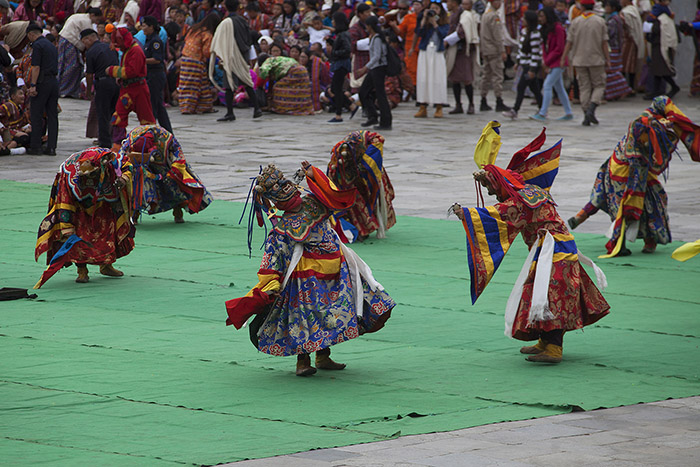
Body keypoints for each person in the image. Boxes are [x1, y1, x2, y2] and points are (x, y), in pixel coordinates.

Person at [451, 127, 610, 363]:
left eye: (491, 189)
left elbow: (504, 213)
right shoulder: (527, 191)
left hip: (556, 252)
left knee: (550, 296)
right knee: (538, 293)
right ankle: (545, 341)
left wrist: (466, 213)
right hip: (548, 251)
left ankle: (554, 348)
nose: (491, 194)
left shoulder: (525, 198)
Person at [225, 162, 394, 376]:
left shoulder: (313, 202)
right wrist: (272, 284)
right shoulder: (282, 228)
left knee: (332, 313)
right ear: (276, 201)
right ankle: (302, 361)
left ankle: (323, 356)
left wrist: (314, 175)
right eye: (280, 190)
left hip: (338, 267)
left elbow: (334, 198)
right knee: (305, 317)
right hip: (306, 278)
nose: (287, 189)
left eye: (286, 184)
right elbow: (273, 257)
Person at [568, 97, 700, 257]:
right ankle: (637, 241)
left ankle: (582, 216)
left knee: (609, 198)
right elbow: (648, 158)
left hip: (617, 166)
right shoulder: (646, 125)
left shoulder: (650, 121)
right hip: (630, 170)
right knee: (642, 203)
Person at [34, 147, 134, 286]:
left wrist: (123, 179)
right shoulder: (69, 175)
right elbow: (65, 201)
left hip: (104, 203)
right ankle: (82, 270)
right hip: (79, 208)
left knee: (107, 233)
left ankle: (106, 265)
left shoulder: (112, 160)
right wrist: (67, 228)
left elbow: (127, 165)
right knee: (80, 238)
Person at [120, 125, 213, 223]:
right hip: (141, 167)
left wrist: (175, 169)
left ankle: (178, 212)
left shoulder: (166, 138)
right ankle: (135, 214)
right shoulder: (131, 139)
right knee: (137, 188)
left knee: (174, 185)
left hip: (165, 165)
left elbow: (178, 154)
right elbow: (121, 157)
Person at [327, 131, 396, 241]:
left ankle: (368, 227)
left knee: (374, 198)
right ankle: (361, 229)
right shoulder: (341, 158)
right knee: (354, 202)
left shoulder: (367, 140)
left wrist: (367, 165)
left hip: (368, 174)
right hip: (347, 179)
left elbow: (379, 141)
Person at [209, 0, 262, 122]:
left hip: (231, 56)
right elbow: (248, 39)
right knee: (246, 82)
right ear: (238, 7)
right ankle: (257, 109)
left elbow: (220, 40)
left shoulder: (226, 22)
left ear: (226, 7)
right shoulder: (243, 20)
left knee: (229, 85)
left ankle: (230, 113)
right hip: (243, 55)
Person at [106, 25, 157, 149]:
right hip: (127, 89)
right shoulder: (127, 51)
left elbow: (131, 71)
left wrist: (113, 70)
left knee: (147, 119)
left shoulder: (136, 51)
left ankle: (150, 144)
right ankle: (118, 144)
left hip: (139, 90)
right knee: (118, 117)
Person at [561, 0, 609, 126]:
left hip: (579, 59)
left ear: (582, 6)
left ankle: (586, 112)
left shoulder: (576, 22)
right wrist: (607, 58)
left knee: (584, 87)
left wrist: (563, 57)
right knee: (599, 85)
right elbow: (604, 43)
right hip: (596, 59)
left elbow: (569, 42)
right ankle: (592, 107)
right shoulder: (600, 21)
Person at [530, 7, 572, 122]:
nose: (540, 19)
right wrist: (545, 61)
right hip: (551, 62)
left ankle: (543, 112)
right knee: (559, 88)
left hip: (559, 62)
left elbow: (559, 48)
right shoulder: (545, 29)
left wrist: (547, 61)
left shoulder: (558, 28)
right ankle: (568, 113)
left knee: (547, 85)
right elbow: (544, 47)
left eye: (542, 16)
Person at [81, 29, 119, 149]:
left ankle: (105, 142)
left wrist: (88, 91)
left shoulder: (91, 52)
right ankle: (116, 138)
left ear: (89, 39)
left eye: (84, 41)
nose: (84, 45)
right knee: (114, 112)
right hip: (115, 82)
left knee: (102, 114)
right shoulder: (110, 48)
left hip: (103, 83)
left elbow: (89, 74)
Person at [26, 23, 59, 156]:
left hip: (42, 82)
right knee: (52, 115)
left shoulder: (38, 46)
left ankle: (36, 146)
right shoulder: (51, 45)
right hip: (53, 82)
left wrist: (33, 85)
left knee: (36, 114)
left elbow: (36, 67)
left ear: (31, 35)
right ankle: (51, 147)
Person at [57, 7, 103, 98]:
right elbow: (88, 38)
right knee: (72, 66)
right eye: (97, 19)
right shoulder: (86, 21)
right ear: (92, 15)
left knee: (64, 65)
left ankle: (66, 90)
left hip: (64, 39)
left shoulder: (79, 16)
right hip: (70, 41)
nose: (96, 22)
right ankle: (64, 90)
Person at [414, 0, 449, 118]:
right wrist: (424, 19)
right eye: (432, 8)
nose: (434, 11)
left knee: (438, 78)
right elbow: (419, 32)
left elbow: (443, 35)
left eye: (437, 9)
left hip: (437, 53)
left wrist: (435, 24)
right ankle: (422, 106)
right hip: (425, 51)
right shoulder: (424, 20)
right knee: (423, 78)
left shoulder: (444, 22)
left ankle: (439, 106)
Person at [503, 10, 541, 120]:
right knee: (535, 88)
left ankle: (515, 110)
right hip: (524, 63)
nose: (522, 20)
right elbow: (521, 49)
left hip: (530, 65)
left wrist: (533, 69)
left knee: (521, 86)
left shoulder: (535, 34)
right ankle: (542, 108)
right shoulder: (524, 32)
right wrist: (518, 62)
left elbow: (535, 53)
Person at [179, 13, 220, 114]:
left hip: (185, 58)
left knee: (196, 83)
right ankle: (187, 107)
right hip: (196, 61)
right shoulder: (207, 34)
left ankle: (205, 106)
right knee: (193, 85)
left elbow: (185, 40)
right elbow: (207, 51)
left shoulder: (194, 29)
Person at [444, 0, 479, 115]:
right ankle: (458, 104)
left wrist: (447, 41)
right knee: (455, 80)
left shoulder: (465, 16)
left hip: (464, 50)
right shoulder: (452, 15)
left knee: (467, 79)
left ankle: (471, 104)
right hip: (454, 50)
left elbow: (462, 32)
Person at [357, 15, 392, 130]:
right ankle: (372, 115)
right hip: (374, 68)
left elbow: (377, 56)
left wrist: (364, 68)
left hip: (379, 68)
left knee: (380, 94)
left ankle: (386, 121)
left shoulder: (377, 38)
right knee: (363, 91)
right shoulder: (373, 37)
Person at [140, 16, 174, 134]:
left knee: (153, 105)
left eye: (144, 25)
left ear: (151, 27)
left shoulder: (155, 41)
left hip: (155, 75)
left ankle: (151, 131)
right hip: (149, 74)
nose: (142, 28)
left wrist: (141, 60)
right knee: (158, 106)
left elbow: (157, 59)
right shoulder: (148, 40)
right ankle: (167, 132)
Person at [644, 0, 679, 99]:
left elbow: (659, 29)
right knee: (657, 70)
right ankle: (656, 91)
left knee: (663, 70)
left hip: (661, 45)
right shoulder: (665, 13)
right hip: (658, 45)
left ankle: (674, 87)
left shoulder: (662, 16)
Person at [603, 0, 633, 101]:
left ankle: (623, 89)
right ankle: (618, 92)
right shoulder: (618, 18)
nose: (605, 8)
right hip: (617, 47)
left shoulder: (612, 20)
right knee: (614, 71)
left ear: (613, 8)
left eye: (607, 6)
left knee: (612, 71)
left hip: (612, 48)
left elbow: (609, 34)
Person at [328, 11, 353, 123]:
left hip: (341, 63)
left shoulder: (343, 34)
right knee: (335, 88)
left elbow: (347, 50)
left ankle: (339, 114)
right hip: (340, 63)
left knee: (336, 89)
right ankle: (350, 107)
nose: (332, 22)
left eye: (333, 20)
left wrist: (335, 53)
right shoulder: (341, 34)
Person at [620, 0, 644, 92]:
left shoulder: (626, 12)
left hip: (628, 42)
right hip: (634, 41)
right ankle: (631, 86)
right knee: (631, 66)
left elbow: (629, 29)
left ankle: (627, 87)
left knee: (626, 66)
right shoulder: (634, 10)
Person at [399, 0, 422, 88]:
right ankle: (412, 89)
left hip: (423, 46)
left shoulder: (426, 16)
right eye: (414, 4)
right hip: (410, 46)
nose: (416, 7)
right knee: (411, 68)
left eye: (418, 4)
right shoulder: (408, 17)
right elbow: (400, 31)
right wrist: (393, 26)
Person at [0, 86, 31, 154]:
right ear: (13, 96)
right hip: (7, 132)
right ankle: (8, 149)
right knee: (24, 137)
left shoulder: (19, 108)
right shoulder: (7, 106)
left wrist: (26, 129)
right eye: (20, 94)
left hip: (17, 130)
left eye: (23, 94)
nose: (23, 96)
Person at [349, 3, 372, 93]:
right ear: (360, 14)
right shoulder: (354, 28)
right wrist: (369, 39)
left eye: (370, 12)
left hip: (372, 58)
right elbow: (353, 45)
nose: (369, 14)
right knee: (360, 86)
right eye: (367, 12)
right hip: (360, 58)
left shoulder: (372, 25)